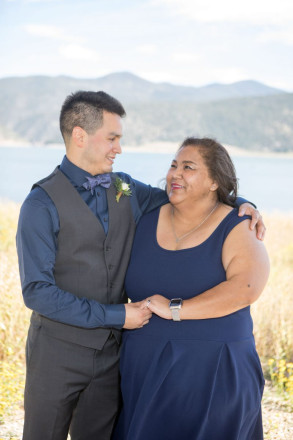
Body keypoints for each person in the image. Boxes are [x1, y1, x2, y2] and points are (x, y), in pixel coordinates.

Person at [16, 90, 265, 440]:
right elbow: (37, 293)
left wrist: (244, 204)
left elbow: (188, 195)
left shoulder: (126, 188)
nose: (119, 148)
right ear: (79, 136)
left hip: (113, 358)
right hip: (57, 351)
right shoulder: (39, 204)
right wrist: (120, 315)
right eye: (113, 138)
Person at [113, 137, 270, 440]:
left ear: (214, 181)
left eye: (188, 167)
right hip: (145, 369)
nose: (175, 174)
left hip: (215, 371)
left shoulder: (238, 225)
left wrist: (175, 309)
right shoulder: (144, 220)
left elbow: (246, 288)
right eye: (173, 165)